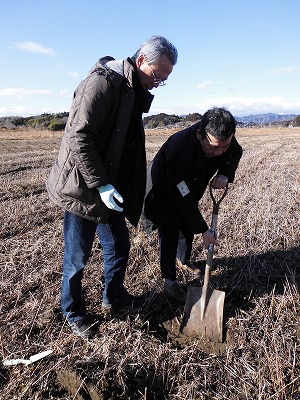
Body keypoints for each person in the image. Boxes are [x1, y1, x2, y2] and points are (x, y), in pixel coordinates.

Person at [46, 36, 178, 338]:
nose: (158, 83)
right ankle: (73, 311)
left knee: (119, 245)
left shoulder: (132, 90)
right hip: (83, 187)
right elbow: (79, 138)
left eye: (165, 80)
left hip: (110, 188)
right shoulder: (101, 84)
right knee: (77, 257)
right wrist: (102, 184)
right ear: (141, 60)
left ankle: (113, 296)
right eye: (158, 75)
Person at [143, 107, 243, 304]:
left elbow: (236, 152)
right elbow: (182, 198)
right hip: (163, 191)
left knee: (187, 227)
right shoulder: (179, 149)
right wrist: (204, 230)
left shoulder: (223, 138)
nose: (219, 152)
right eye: (214, 147)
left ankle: (183, 259)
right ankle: (170, 281)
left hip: (190, 186)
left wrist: (225, 172)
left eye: (224, 147)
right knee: (170, 229)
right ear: (200, 134)